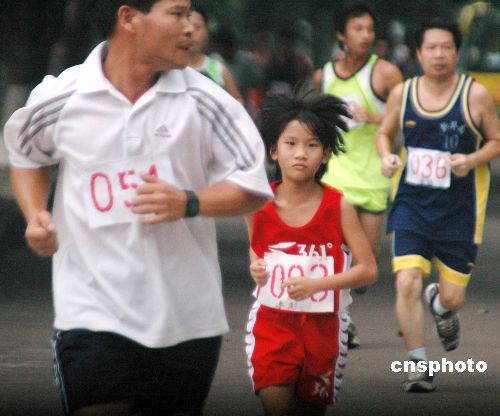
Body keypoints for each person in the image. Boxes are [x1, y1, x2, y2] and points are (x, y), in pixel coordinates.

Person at [3, 1, 273, 415]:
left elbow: (253, 184)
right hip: (91, 313)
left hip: (187, 318)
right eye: (177, 15)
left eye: (191, 17)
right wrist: (36, 213)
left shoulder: (206, 101)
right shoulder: (65, 95)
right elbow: (25, 153)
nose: (192, 30)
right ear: (129, 18)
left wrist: (189, 201)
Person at [376, 18, 500, 393]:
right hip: (412, 201)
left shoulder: (474, 94)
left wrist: (471, 161)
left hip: (459, 210)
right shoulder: (404, 93)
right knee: (408, 280)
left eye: (446, 47)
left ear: (457, 52)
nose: (439, 54)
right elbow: (385, 132)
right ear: (418, 53)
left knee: (453, 296)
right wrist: (386, 157)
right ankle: (417, 365)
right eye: (431, 47)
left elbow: (495, 140)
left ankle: (442, 307)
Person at [245, 93, 378, 416]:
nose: (300, 154)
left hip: (323, 331)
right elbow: (256, 249)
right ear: (274, 151)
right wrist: (256, 268)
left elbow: (368, 270)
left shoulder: (339, 206)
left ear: (326, 155)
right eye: (291, 144)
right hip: (272, 326)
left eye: (312, 145)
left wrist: (317, 285)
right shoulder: (257, 204)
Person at [313, 1, 403, 348]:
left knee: (367, 264)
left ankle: (346, 304)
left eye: (369, 29)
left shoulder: (386, 74)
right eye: (358, 29)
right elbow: (314, 122)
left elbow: (410, 117)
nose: (366, 35)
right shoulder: (325, 75)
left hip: (374, 177)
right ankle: (342, 320)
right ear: (341, 35)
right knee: (336, 254)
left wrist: (376, 118)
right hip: (336, 176)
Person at [188, 7, 243, 103]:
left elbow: (236, 101)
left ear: (206, 32)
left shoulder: (217, 69)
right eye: (187, 26)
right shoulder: (170, 69)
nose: (191, 32)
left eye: (197, 27)